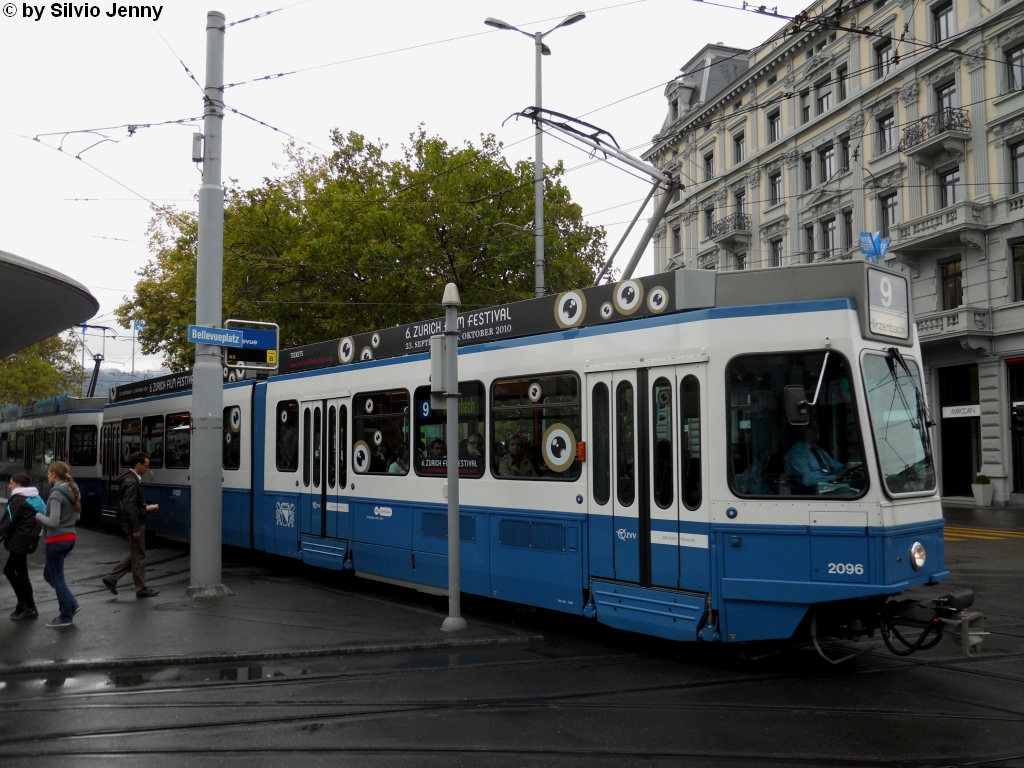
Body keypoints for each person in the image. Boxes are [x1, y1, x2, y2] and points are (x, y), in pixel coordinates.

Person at [102, 452, 159, 599]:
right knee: (138, 556)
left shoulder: (128, 479)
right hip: (133, 523)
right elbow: (129, 505)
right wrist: (135, 527)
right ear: (138, 465)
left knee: (136, 553)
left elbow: (130, 505)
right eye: (146, 466)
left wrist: (143, 509)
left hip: (129, 521)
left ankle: (111, 578)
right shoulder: (132, 482)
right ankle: (141, 588)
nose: (147, 469)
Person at [34, 462, 81, 628]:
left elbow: (53, 522)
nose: (47, 476)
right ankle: (72, 604)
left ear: (54, 474)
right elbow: (77, 517)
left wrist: (39, 516)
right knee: (49, 575)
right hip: (70, 538)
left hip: (56, 540)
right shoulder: (73, 490)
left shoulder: (56, 494)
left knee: (57, 579)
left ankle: (66, 615)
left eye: (48, 473)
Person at [0, 472, 44, 620]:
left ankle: (29, 607)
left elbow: (7, 522)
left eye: (11, 483)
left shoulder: (18, 499)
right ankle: (23, 603)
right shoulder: (35, 498)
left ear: (18, 484)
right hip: (27, 539)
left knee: (21, 573)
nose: (9, 486)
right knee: (10, 570)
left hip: (19, 541)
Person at [784, 422, 853, 493]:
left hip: (826, 488)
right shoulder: (797, 453)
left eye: (817, 428)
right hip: (810, 493)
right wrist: (835, 477)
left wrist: (845, 466)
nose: (816, 431)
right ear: (802, 433)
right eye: (812, 429)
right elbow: (806, 480)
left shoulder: (819, 451)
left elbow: (835, 466)